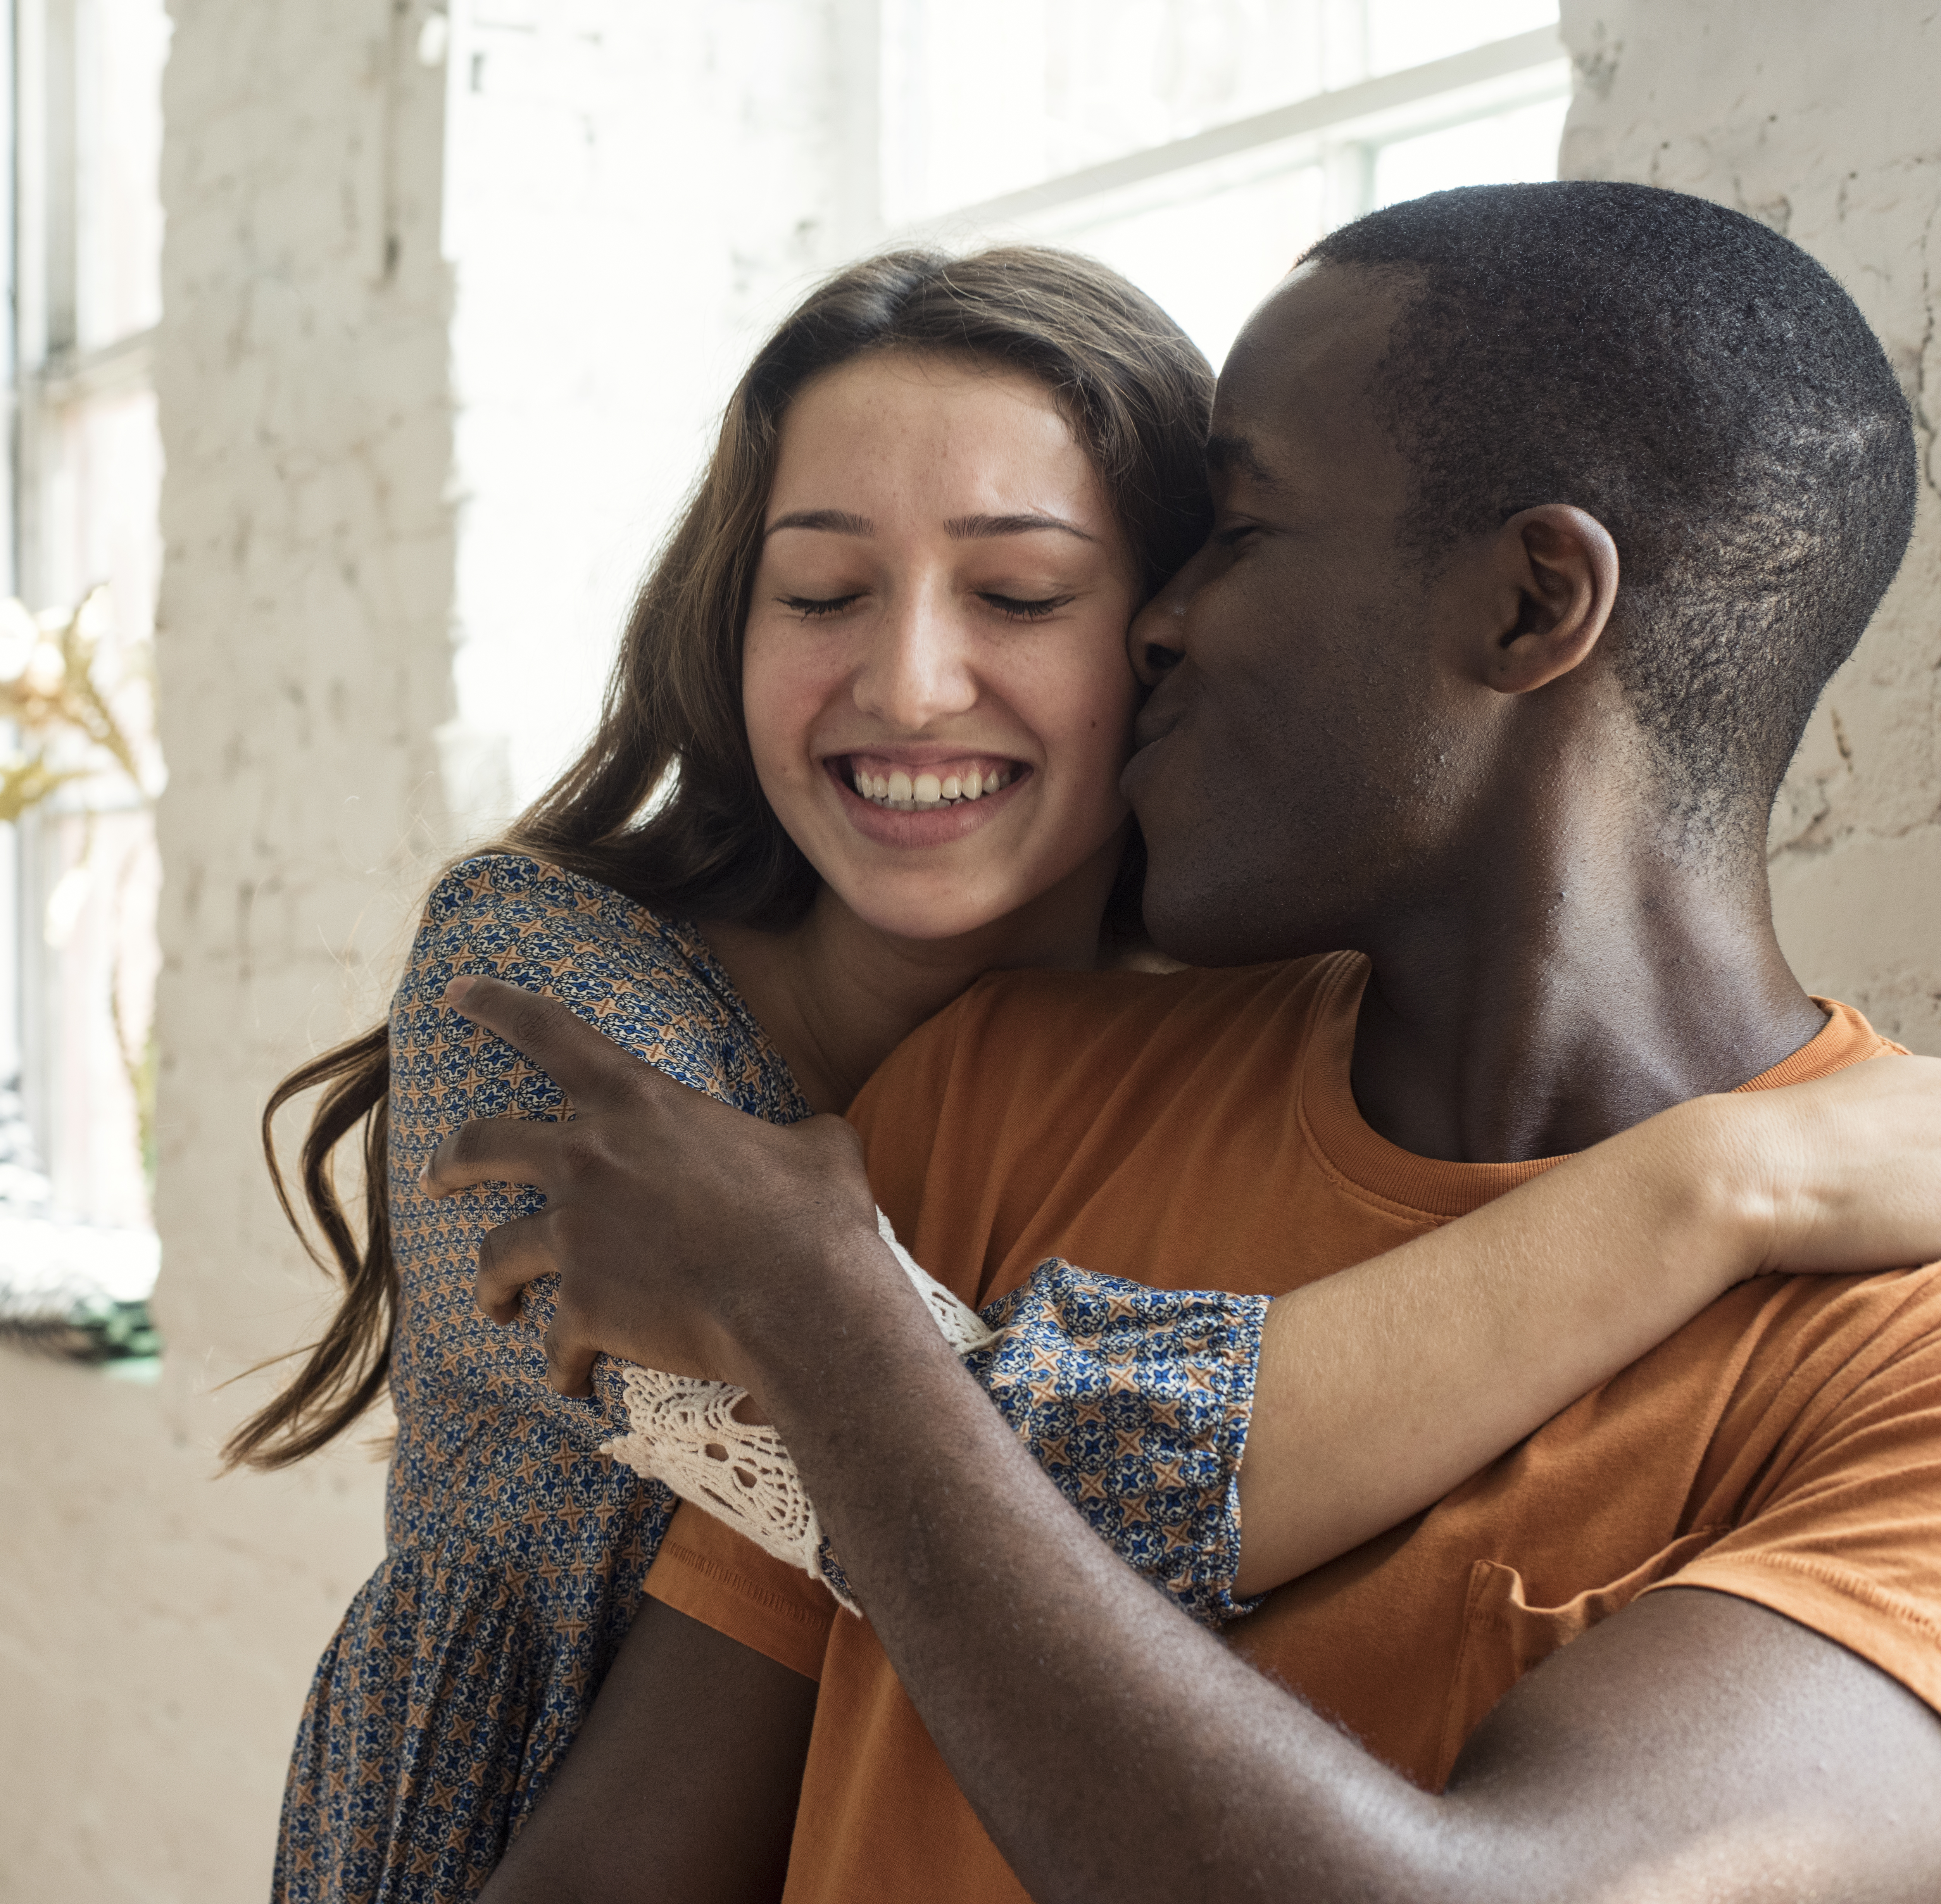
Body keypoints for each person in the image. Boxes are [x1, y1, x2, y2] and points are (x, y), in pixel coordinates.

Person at [236, 238, 1941, 1904]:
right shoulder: (901, 1074)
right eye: (822, 590)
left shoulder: (1889, 1346)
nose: (1162, 628)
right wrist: (1718, 1182)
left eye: (1054, 587)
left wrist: (820, 1311)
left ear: (1530, 602)